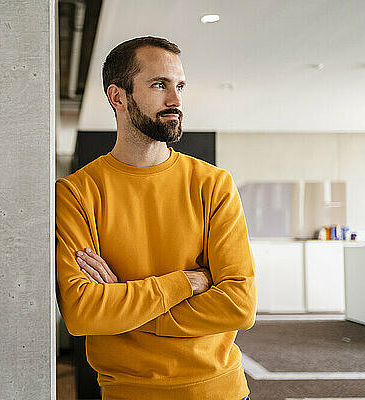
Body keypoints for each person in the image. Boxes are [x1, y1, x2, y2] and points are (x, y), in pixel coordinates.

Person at [55, 36, 256, 400]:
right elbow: (83, 313)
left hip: (221, 391)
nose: (176, 100)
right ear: (117, 97)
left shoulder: (214, 185)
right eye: (159, 85)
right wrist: (185, 283)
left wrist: (123, 313)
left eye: (179, 86)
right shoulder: (76, 194)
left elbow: (239, 304)